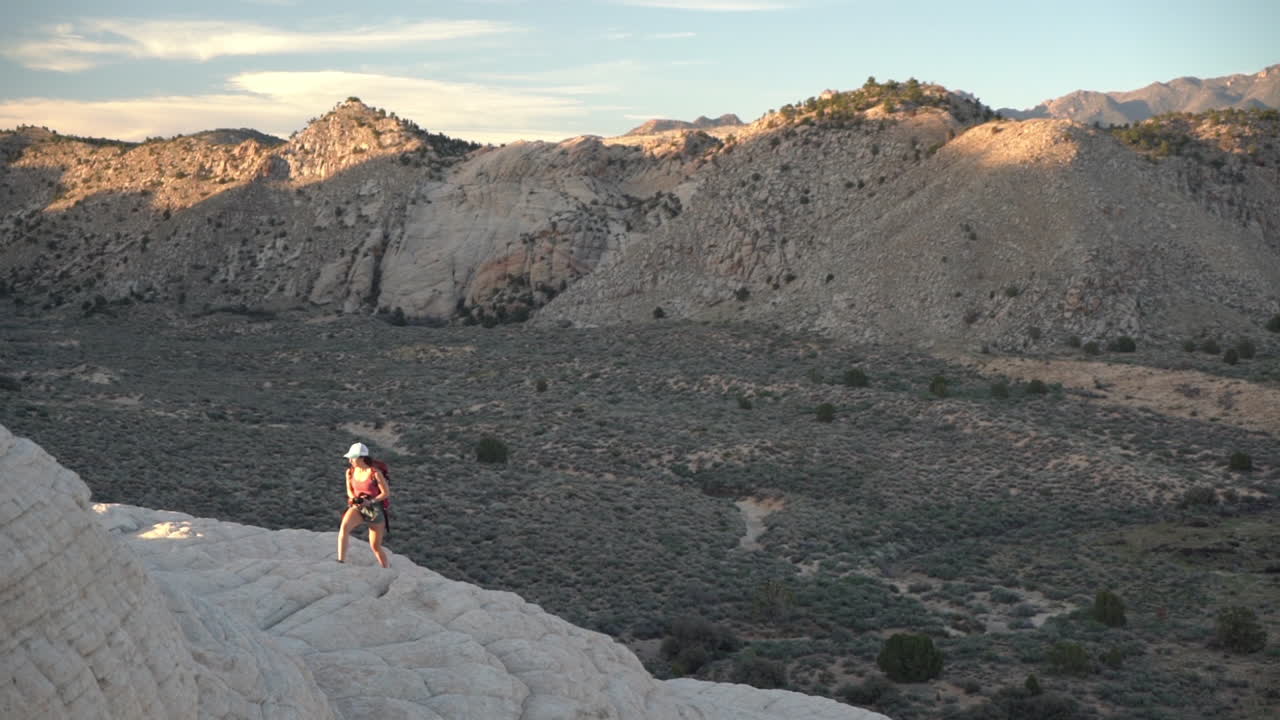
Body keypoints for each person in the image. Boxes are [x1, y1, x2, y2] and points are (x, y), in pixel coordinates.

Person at [337, 442, 391, 568]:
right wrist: (354, 499)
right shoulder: (350, 472)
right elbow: (349, 490)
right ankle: (340, 561)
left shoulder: (375, 473)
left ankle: (386, 569)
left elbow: (385, 493)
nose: (350, 460)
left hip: (374, 510)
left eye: (352, 457)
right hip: (358, 506)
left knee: (375, 546)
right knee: (344, 528)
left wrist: (370, 501)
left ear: (361, 458)